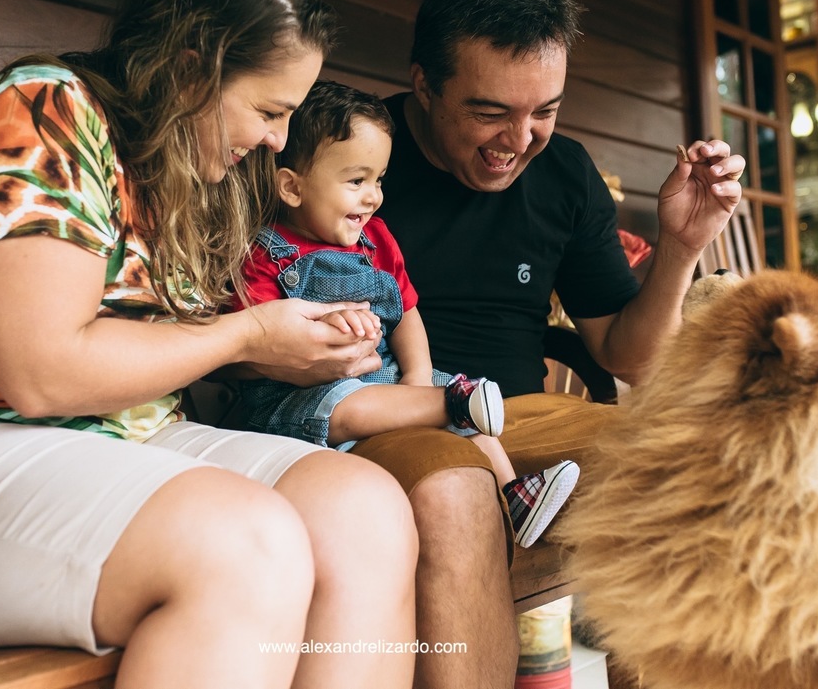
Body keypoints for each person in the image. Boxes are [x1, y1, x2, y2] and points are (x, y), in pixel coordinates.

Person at [0, 0, 418, 689]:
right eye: (269, 110)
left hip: (136, 439)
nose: (277, 141)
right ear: (193, 69)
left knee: (365, 510)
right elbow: (43, 372)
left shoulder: (187, 166)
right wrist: (245, 333)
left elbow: (169, 352)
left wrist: (283, 351)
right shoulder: (43, 111)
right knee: (245, 541)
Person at [351, 0, 745, 688]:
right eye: (490, 111)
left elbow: (626, 355)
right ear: (424, 85)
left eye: (545, 111)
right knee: (456, 489)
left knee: (690, 457)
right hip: (393, 413)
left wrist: (683, 247)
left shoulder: (563, 172)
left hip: (524, 416)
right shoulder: (355, 158)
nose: (520, 139)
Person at [234, 79, 581, 548]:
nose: (373, 196)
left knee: (458, 407)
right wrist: (324, 330)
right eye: (356, 181)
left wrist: (417, 376)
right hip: (295, 402)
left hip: (390, 383)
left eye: (378, 180)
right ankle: (448, 402)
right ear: (292, 187)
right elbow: (255, 344)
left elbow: (407, 311)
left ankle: (513, 493)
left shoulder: (376, 239)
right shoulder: (265, 252)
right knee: (356, 402)